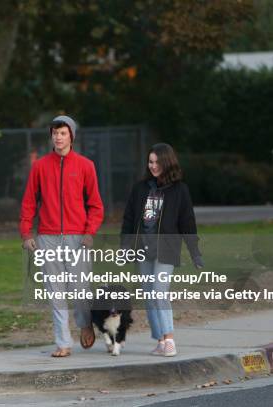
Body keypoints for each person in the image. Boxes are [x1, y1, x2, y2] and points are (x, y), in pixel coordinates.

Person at [20, 115, 104, 357]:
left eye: (63, 133)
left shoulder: (86, 166)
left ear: (72, 137)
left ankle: (85, 323)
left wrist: (89, 233)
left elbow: (96, 205)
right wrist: (26, 233)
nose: (58, 137)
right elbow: (28, 203)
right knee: (54, 291)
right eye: (55, 133)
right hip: (47, 237)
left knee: (80, 289)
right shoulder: (40, 166)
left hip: (78, 237)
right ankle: (63, 342)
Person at [121, 143, 202, 357]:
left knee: (159, 290)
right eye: (150, 162)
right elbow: (129, 218)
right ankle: (160, 340)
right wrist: (125, 246)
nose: (153, 166)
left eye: (157, 162)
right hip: (143, 248)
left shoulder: (179, 190)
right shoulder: (140, 188)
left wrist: (195, 252)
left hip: (166, 248)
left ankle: (170, 339)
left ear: (167, 162)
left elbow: (187, 222)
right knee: (149, 294)